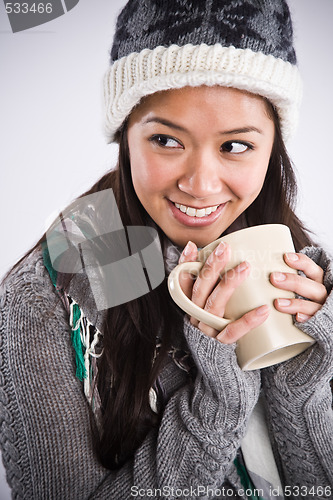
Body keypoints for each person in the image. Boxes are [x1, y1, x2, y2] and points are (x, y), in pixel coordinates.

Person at [0, 0, 332, 498]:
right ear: (126, 137)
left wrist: (300, 377)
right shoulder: (44, 303)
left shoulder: (302, 271)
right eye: (166, 140)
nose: (200, 185)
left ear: (273, 147)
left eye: (235, 145)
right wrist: (218, 399)